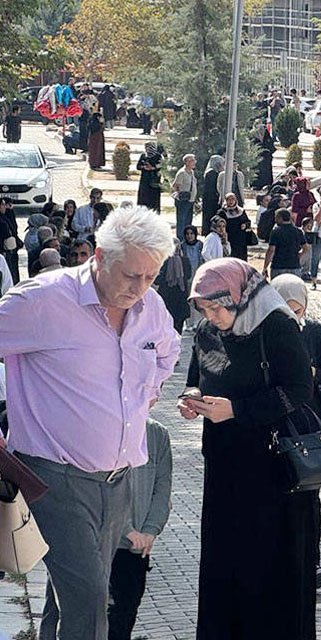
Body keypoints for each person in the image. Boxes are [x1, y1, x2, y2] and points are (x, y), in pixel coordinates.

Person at [0, 205, 180, 640]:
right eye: (130, 275)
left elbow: (168, 352)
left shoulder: (150, 305)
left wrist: (147, 391)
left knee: (71, 596)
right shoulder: (42, 300)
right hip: (53, 478)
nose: (139, 288)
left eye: (150, 277)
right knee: (89, 596)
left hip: (121, 482)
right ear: (98, 257)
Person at [180, 258, 319, 636]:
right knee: (227, 563)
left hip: (272, 469)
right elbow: (200, 378)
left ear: (241, 295)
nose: (214, 315)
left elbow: (298, 391)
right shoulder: (207, 332)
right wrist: (193, 398)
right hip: (225, 465)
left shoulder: (275, 325)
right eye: (204, 308)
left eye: (219, 306)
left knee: (270, 567)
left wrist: (237, 411)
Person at [270, 274, 321, 588]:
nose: (293, 315)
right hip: (274, 428)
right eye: (286, 307)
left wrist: (314, 372)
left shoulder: (314, 332)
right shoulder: (264, 333)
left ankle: (310, 565)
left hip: (309, 430)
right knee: (274, 499)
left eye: (297, 309)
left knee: (309, 499)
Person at [107, 418, 172, 640]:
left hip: (136, 548)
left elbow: (162, 489)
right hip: (101, 542)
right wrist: (126, 529)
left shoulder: (158, 434)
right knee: (96, 616)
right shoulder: (102, 427)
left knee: (125, 612)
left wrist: (150, 531)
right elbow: (99, 486)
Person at [263, 208, 308, 280]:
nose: (275, 220)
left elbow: (271, 250)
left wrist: (265, 267)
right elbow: (305, 248)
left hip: (278, 266)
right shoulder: (298, 231)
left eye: (276, 217)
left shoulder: (276, 231)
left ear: (280, 218)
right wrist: (298, 255)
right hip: (294, 266)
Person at [214, 193, 254, 261]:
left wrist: (245, 225)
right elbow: (217, 222)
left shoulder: (241, 211)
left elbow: (248, 222)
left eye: (233, 199)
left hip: (241, 241)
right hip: (229, 239)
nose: (231, 201)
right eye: (229, 199)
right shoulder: (222, 212)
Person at [172, 154, 199, 235]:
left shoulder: (191, 172)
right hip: (183, 201)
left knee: (188, 222)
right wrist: (181, 194)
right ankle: (180, 240)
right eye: (192, 161)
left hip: (190, 200)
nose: (194, 162)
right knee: (182, 221)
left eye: (194, 160)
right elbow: (175, 185)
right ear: (187, 162)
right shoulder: (182, 173)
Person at [135, 142, 163, 211]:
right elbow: (138, 166)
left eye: (149, 147)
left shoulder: (158, 156)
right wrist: (144, 167)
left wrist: (153, 168)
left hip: (154, 180)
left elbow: (161, 166)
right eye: (146, 147)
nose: (147, 149)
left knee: (153, 198)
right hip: (144, 180)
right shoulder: (143, 155)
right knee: (143, 197)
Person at [201, 155, 225, 233]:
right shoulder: (211, 173)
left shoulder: (214, 172)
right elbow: (212, 188)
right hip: (211, 201)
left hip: (211, 200)